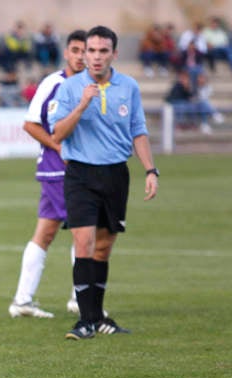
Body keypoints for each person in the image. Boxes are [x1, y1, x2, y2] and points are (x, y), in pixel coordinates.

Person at [49, 25, 159, 340]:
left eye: (102, 51)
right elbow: (58, 134)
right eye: (90, 51)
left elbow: (138, 130)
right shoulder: (70, 88)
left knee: (104, 248)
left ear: (114, 53)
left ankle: (97, 317)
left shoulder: (129, 87)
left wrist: (150, 170)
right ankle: (84, 321)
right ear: (84, 54)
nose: (95, 57)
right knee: (83, 243)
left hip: (115, 175)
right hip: (80, 174)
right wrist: (82, 104)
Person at [9, 30, 87, 319]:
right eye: (76, 50)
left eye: (85, 50)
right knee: (83, 229)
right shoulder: (54, 83)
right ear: (66, 52)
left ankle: (22, 301)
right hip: (58, 170)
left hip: (77, 169)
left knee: (46, 231)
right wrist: (60, 148)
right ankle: (81, 299)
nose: (81, 56)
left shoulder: (91, 84)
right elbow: (30, 124)